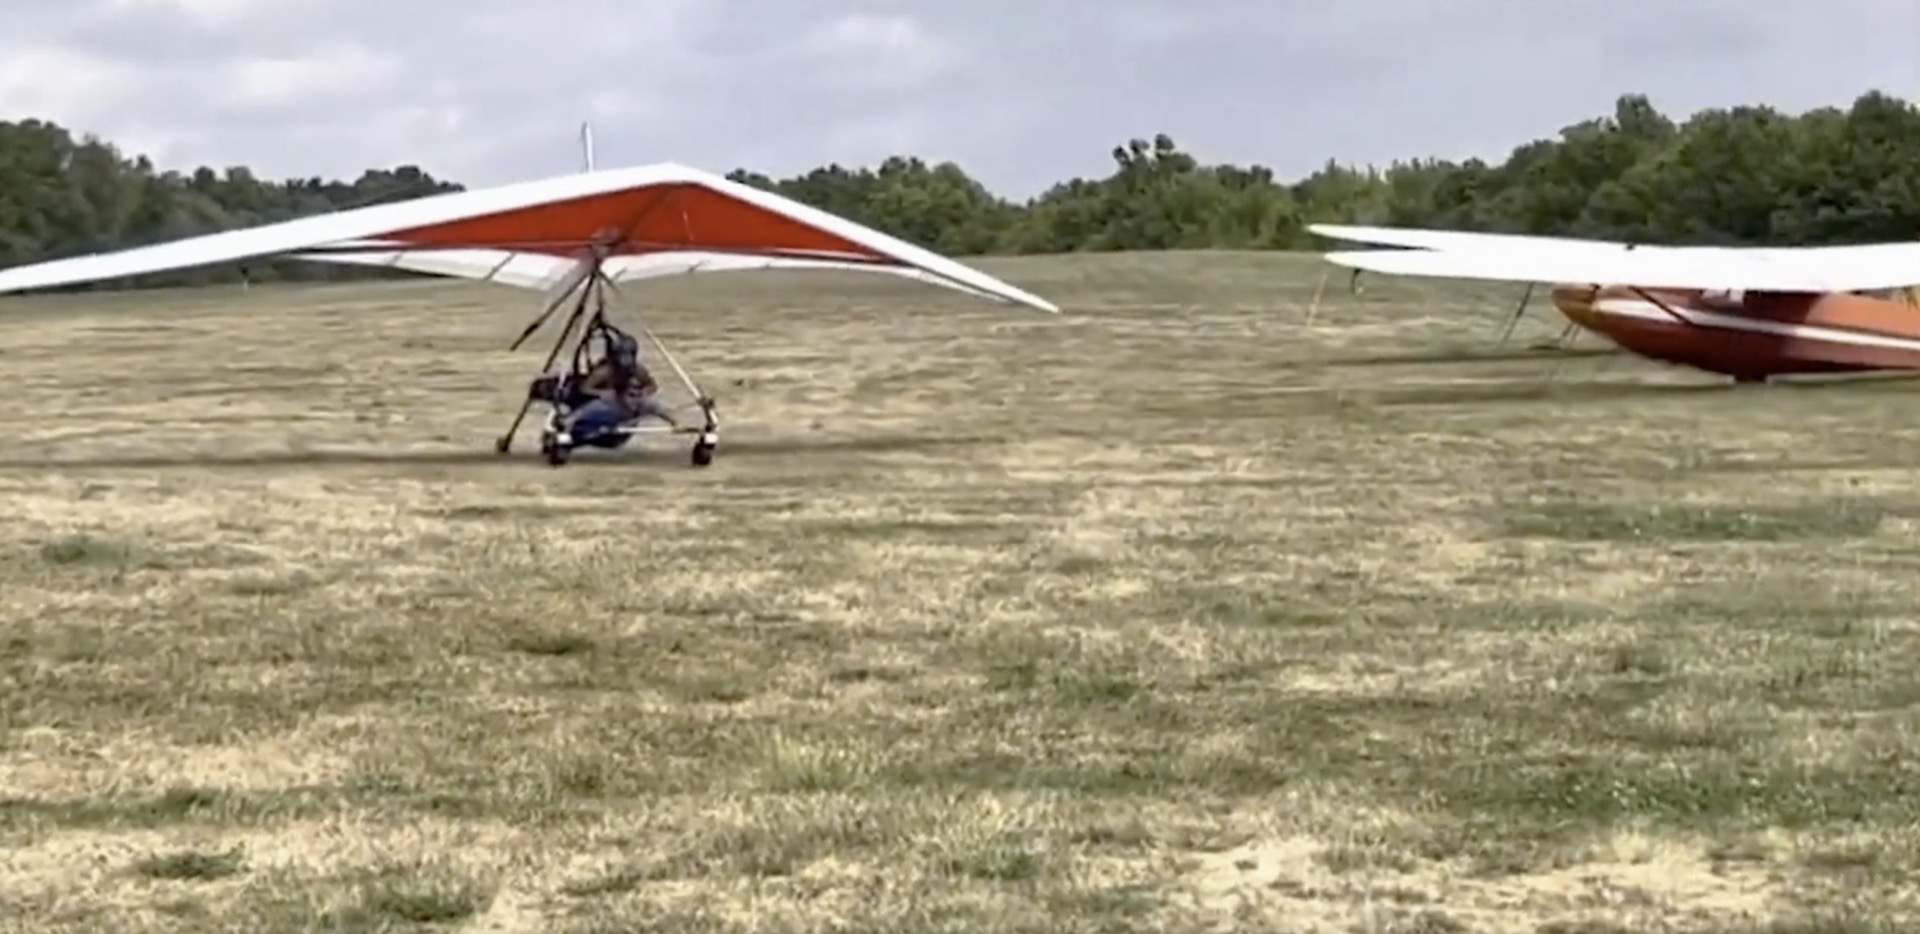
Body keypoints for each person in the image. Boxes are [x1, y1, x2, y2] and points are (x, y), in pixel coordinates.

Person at [557, 330, 678, 449]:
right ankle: (569, 422)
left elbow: (652, 386)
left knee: (652, 404)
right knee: (595, 406)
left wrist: (644, 392)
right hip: (613, 404)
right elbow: (584, 388)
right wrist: (601, 393)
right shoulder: (604, 371)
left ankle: (676, 423)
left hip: (632, 406)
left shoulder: (639, 370)